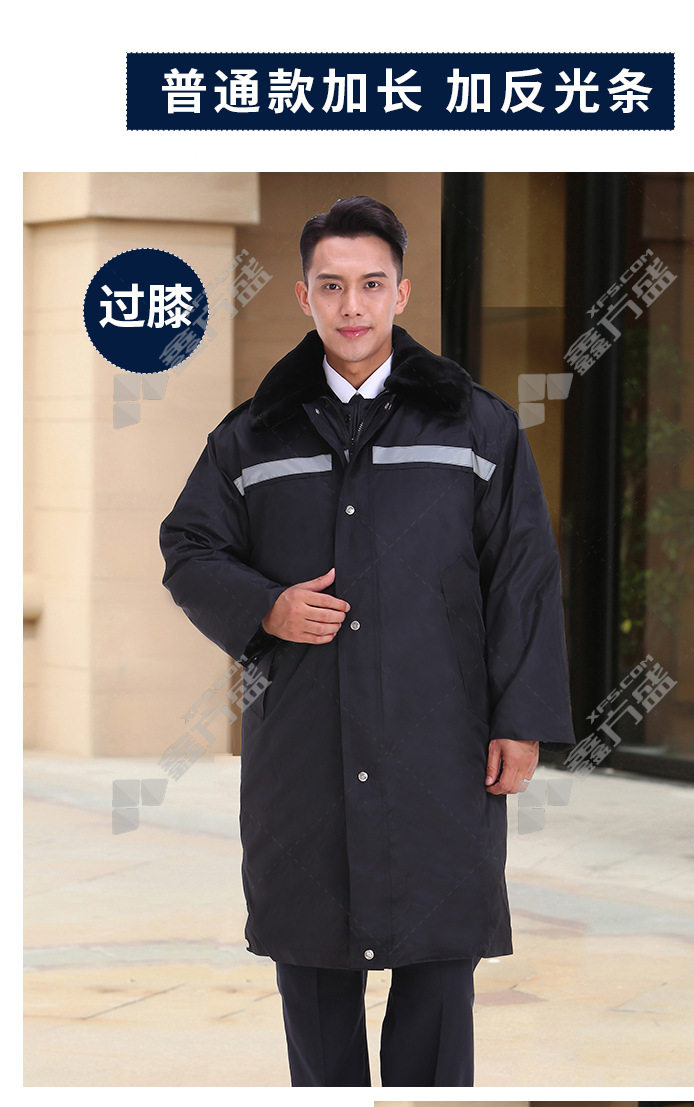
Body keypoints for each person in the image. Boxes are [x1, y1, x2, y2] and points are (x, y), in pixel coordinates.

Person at [159, 195, 575, 1087]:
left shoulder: (477, 426)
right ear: (303, 296)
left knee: (437, 979)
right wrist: (266, 606)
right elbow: (188, 547)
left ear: (402, 292)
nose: (353, 306)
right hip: (304, 753)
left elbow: (523, 575)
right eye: (332, 285)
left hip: (440, 747)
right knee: (313, 979)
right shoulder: (251, 436)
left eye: (372, 284)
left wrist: (522, 718)